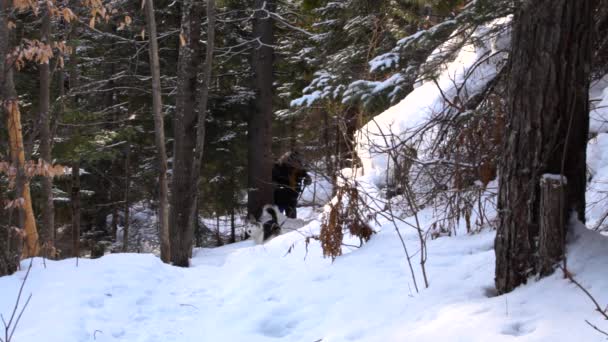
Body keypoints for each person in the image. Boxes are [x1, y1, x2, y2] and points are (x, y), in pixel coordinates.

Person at [272, 150, 311, 218]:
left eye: (299, 161)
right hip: (279, 199)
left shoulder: (298, 170)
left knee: (292, 220)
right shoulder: (278, 168)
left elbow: (305, 176)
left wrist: (307, 179)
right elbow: (272, 180)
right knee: (277, 218)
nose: (299, 163)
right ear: (290, 160)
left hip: (292, 198)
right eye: (297, 161)